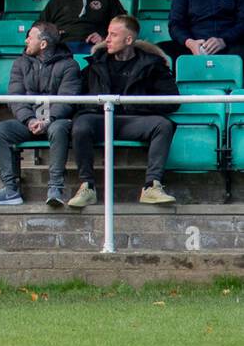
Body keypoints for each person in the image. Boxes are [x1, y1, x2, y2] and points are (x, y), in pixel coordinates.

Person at [68, 16, 179, 208]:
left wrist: (137, 106)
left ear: (129, 40)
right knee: (81, 125)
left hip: (135, 120)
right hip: (100, 119)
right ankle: (87, 187)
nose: (107, 39)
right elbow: (77, 97)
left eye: (113, 34)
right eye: (108, 34)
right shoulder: (95, 63)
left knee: (163, 125)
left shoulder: (153, 65)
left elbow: (171, 100)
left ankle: (152, 186)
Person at [0, 21, 81, 208]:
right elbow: (15, 97)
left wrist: (47, 120)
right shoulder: (20, 63)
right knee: (1, 130)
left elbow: (68, 100)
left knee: (59, 128)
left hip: (56, 121)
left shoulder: (69, 65)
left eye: (30, 36)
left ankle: (55, 188)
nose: (26, 40)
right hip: (30, 122)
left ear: (43, 44)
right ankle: (10, 190)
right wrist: (29, 120)